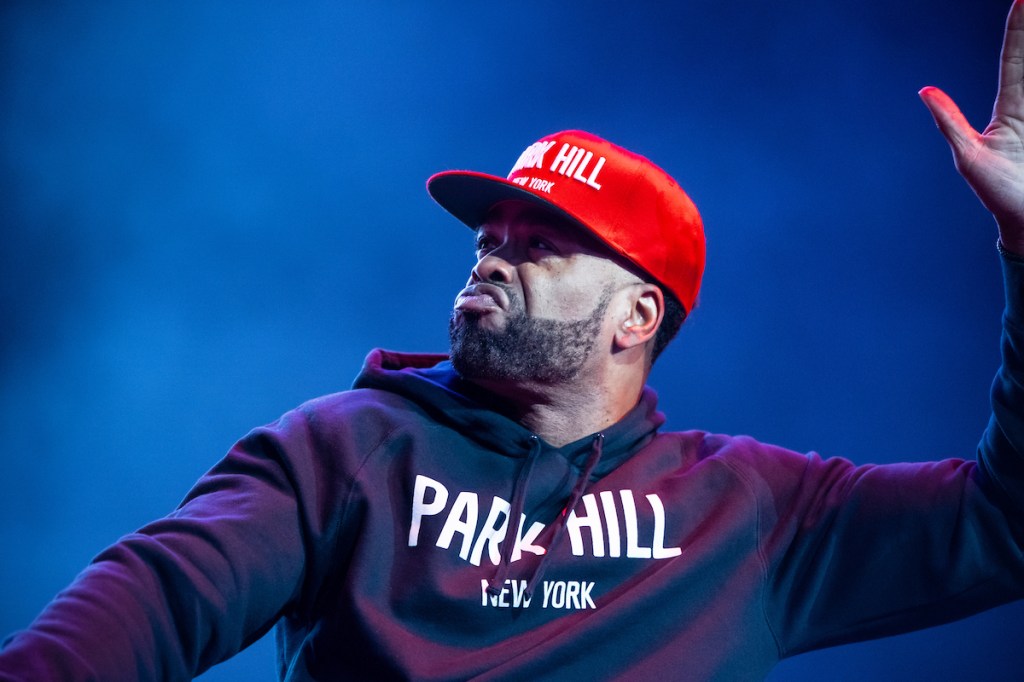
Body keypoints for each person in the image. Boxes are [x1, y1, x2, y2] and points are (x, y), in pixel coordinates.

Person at [4, 2, 1024, 679]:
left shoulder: (749, 509)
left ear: (637, 317)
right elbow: (156, 597)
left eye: (541, 246)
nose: (493, 258)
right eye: (490, 238)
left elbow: (1005, 524)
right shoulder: (341, 451)